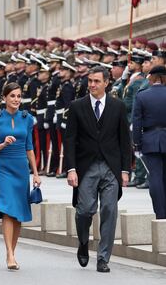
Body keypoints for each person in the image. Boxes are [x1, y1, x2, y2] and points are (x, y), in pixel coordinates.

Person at [64, 66, 131, 273]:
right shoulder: (77, 106)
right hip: (86, 167)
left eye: (96, 81)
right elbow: (70, 140)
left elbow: (124, 140)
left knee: (110, 210)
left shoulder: (118, 106)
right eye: (90, 81)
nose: (92, 85)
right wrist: (71, 169)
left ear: (106, 83)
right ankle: (83, 241)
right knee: (84, 210)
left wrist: (125, 170)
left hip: (111, 167)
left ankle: (103, 258)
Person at [0, 82, 41, 270]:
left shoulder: (27, 118)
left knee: (17, 213)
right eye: (12, 96)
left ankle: (12, 252)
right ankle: (9, 253)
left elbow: (30, 147)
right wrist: (3, 144)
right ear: (4, 98)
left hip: (21, 170)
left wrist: (35, 173)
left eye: (19, 96)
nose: (16, 99)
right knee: (8, 209)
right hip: (3, 169)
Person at [132, 65, 166, 219]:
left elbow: (136, 122)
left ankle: (160, 213)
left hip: (150, 139)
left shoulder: (142, 95)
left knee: (155, 177)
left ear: (151, 78)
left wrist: (136, 144)